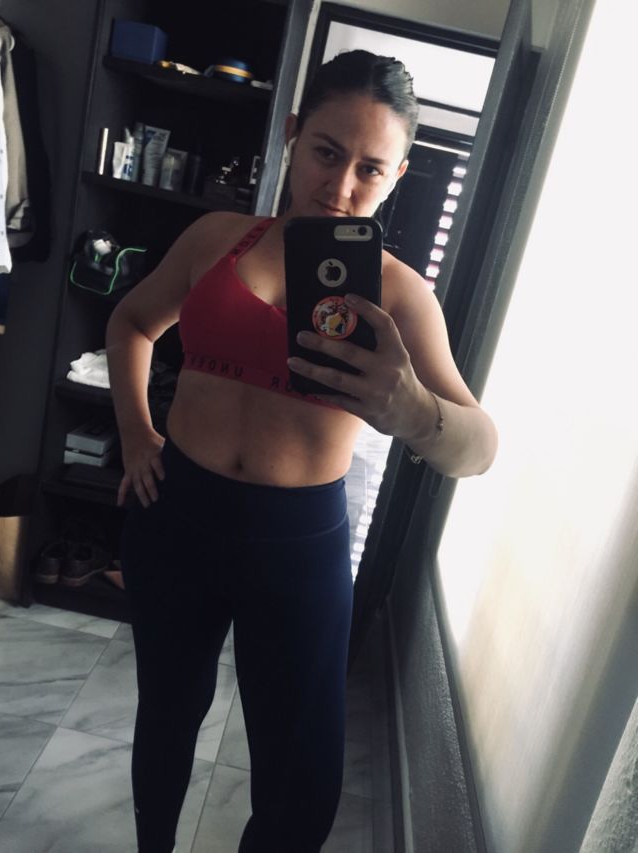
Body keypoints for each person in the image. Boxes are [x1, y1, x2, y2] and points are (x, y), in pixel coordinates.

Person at [106, 49, 497, 853]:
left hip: (298, 543)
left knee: (302, 780)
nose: (341, 185)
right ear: (292, 133)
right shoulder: (217, 237)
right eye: (326, 151)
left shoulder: (399, 293)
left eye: (370, 169)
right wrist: (138, 432)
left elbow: (479, 446)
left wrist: (413, 408)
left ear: (398, 175)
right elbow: (132, 323)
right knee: (167, 716)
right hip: (177, 514)